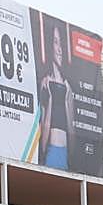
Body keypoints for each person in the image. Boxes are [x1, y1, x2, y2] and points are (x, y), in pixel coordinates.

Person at [37, 21, 76, 171]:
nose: (59, 49)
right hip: (51, 149)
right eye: (55, 42)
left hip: (64, 151)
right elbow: (44, 124)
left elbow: (71, 127)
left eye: (61, 44)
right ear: (49, 46)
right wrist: (52, 100)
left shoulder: (68, 87)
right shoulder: (45, 83)